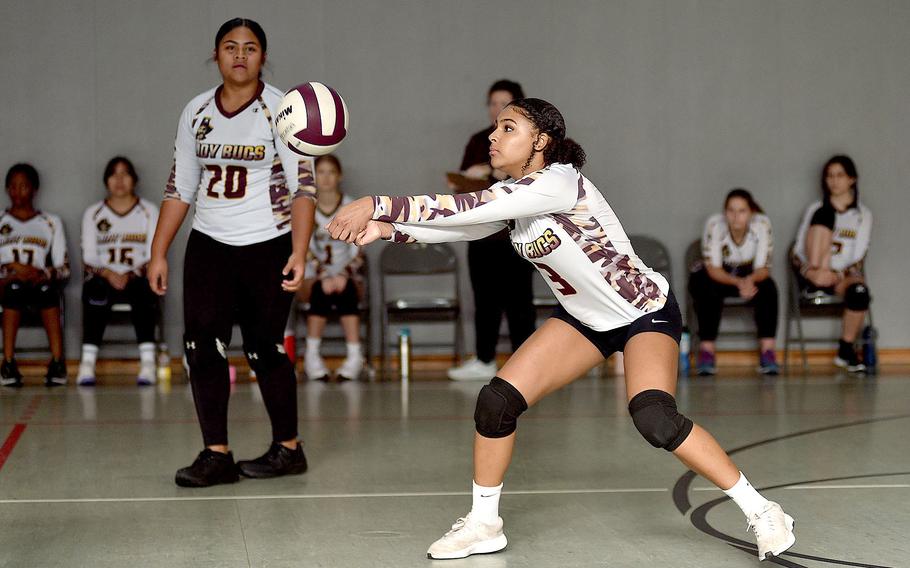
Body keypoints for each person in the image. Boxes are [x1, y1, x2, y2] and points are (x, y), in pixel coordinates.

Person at [327, 98, 796, 561]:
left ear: (541, 141)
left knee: (653, 417)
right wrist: (389, 230)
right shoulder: (517, 196)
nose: (493, 136)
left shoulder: (557, 181)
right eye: (495, 128)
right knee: (496, 402)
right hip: (585, 319)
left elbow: (466, 205)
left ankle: (762, 510)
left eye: (508, 128)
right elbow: (467, 226)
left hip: (642, 312)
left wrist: (376, 203)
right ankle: (483, 524)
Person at [148, 18, 316, 487]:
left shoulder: (283, 109)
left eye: (250, 47)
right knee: (200, 346)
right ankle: (215, 454)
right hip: (209, 245)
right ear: (216, 54)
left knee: (264, 347)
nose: (240, 55)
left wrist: (300, 251)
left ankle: (288, 448)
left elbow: (305, 188)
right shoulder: (196, 111)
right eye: (230, 46)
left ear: (263, 56)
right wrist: (158, 252)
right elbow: (179, 187)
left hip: (268, 243)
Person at [445, 79, 536, 381]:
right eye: (493, 104)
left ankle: (527, 362)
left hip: (518, 233)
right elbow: (463, 182)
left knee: (519, 300)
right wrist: (473, 175)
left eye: (504, 104)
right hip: (483, 232)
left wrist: (495, 172)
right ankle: (484, 359)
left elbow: (531, 180)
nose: (497, 110)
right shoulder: (478, 140)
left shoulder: (530, 140)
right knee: (484, 299)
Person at [77, 156, 160, 386]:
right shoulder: (93, 213)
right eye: (114, 173)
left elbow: (154, 252)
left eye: (125, 173)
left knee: (144, 290)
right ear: (106, 180)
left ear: (134, 179)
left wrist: (130, 274)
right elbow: (89, 256)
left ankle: (147, 363)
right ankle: (87, 363)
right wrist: (109, 273)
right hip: (104, 277)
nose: (120, 179)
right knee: (95, 291)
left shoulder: (148, 211)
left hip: (136, 276)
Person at [794, 154, 872, 373]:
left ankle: (845, 350)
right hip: (814, 271)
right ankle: (816, 278)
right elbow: (797, 249)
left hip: (841, 275)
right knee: (824, 214)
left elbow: (859, 256)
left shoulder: (862, 214)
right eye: (829, 176)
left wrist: (837, 274)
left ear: (852, 179)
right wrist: (810, 271)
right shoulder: (816, 209)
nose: (834, 181)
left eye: (840, 175)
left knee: (859, 291)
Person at [688, 188, 780, 376]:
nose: (736, 216)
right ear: (725, 212)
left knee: (769, 288)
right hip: (721, 275)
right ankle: (707, 351)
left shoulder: (762, 224)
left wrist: (749, 281)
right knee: (703, 285)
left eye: (742, 211)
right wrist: (738, 282)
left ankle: (768, 351)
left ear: (751, 212)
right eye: (731, 210)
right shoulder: (714, 225)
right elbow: (713, 269)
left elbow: (763, 268)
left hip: (750, 274)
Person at [0, 163, 69, 388]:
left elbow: (64, 268)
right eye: (12, 187)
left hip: (38, 282)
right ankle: (8, 362)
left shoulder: (50, 222)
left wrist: (43, 273)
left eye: (23, 186)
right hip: (8, 284)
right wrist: (11, 269)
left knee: (48, 291)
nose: (17, 192)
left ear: (34, 189)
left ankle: (58, 362)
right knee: (13, 290)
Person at [298, 154, 365, 381]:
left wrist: (343, 274)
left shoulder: (351, 206)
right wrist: (324, 274)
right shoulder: (306, 207)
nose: (326, 178)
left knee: (346, 290)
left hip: (346, 274)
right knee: (320, 291)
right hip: (314, 275)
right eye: (321, 172)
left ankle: (355, 357)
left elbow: (359, 249)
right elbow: (303, 248)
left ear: (340, 176)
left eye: (331, 172)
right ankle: (312, 356)